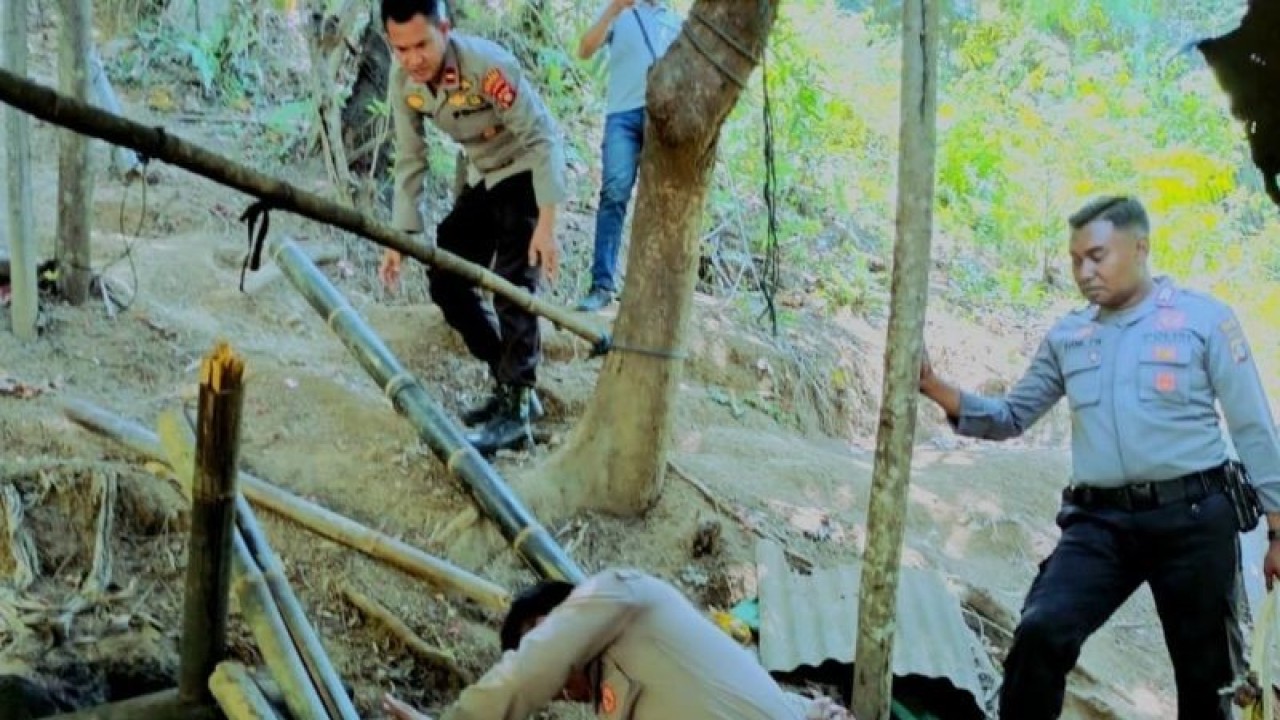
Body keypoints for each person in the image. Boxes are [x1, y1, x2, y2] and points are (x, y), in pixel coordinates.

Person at [918, 195, 1280, 719]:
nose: (1084, 271)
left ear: (1141, 247)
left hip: (1194, 520)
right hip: (1100, 525)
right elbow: (1011, 415)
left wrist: (1277, 530)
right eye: (1075, 260)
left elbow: (1254, 429)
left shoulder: (1204, 322)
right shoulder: (1069, 335)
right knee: (1042, 631)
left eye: (1097, 256)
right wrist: (936, 389)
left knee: (1207, 680)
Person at [379, 0, 567, 454]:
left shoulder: (488, 66)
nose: (413, 58)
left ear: (445, 28)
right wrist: (399, 239)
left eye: (422, 44)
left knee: (511, 282)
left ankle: (518, 409)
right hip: (484, 176)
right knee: (447, 277)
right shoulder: (404, 80)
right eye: (401, 48)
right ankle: (507, 379)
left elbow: (543, 138)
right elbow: (410, 159)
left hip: (523, 168)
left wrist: (547, 222)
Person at [379, 568, 856, 719]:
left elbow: (529, 670)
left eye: (538, 640)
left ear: (554, 620)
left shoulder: (620, 590)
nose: (557, 693)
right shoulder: (613, 693)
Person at [573, 0, 681, 312]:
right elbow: (584, 49)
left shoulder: (674, 21)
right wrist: (613, 9)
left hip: (661, 118)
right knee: (614, 193)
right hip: (622, 115)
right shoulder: (619, 12)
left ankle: (651, 292)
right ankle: (601, 286)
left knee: (661, 202)